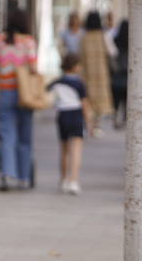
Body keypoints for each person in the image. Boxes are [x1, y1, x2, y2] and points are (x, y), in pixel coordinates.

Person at [0, 9, 37, 191]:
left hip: (5, 92)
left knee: (7, 135)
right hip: (25, 95)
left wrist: (2, 75)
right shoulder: (29, 42)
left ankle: (7, 174)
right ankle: (23, 177)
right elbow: (32, 68)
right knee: (25, 136)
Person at [48, 53, 92, 195]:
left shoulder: (57, 82)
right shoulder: (79, 83)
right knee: (76, 150)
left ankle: (63, 179)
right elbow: (85, 104)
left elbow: (46, 91)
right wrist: (89, 122)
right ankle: (73, 181)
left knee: (64, 150)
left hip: (62, 115)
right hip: (76, 115)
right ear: (75, 67)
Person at [79, 11, 115, 133]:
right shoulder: (104, 36)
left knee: (87, 98)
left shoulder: (83, 37)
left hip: (86, 72)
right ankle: (97, 125)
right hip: (101, 72)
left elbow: (79, 55)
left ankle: (88, 124)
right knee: (100, 98)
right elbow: (112, 52)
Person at [110, 19, 130, 128]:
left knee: (116, 100)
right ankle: (125, 120)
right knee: (127, 100)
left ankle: (115, 119)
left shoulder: (115, 40)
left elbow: (112, 57)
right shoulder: (132, 41)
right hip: (128, 75)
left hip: (117, 75)